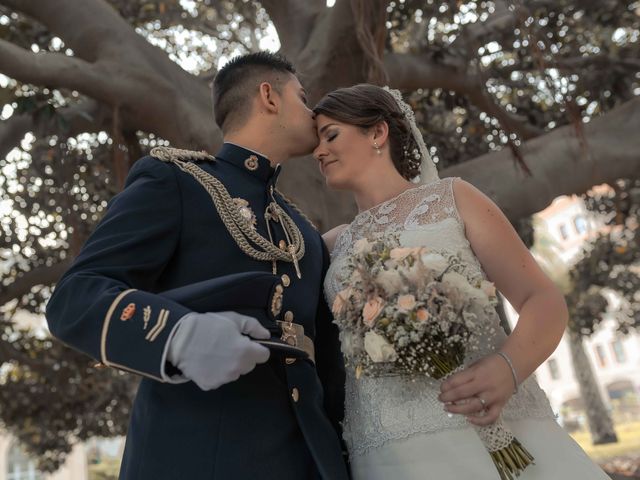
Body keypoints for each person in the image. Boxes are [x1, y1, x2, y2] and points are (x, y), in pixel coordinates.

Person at [46, 52, 349, 480]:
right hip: (198, 454)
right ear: (269, 96)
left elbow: (329, 360)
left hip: (306, 458)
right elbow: (75, 298)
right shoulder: (177, 181)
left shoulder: (299, 227)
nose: (313, 113)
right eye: (303, 98)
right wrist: (176, 335)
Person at [313, 83, 610, 479]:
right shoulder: (330, 245)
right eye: (316, 143)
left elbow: (542, 300)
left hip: (490, 426)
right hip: (387, 455)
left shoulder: (453, 199)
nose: (319, 152)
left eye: (331, 135)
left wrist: (508, 367)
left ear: (377, 132)